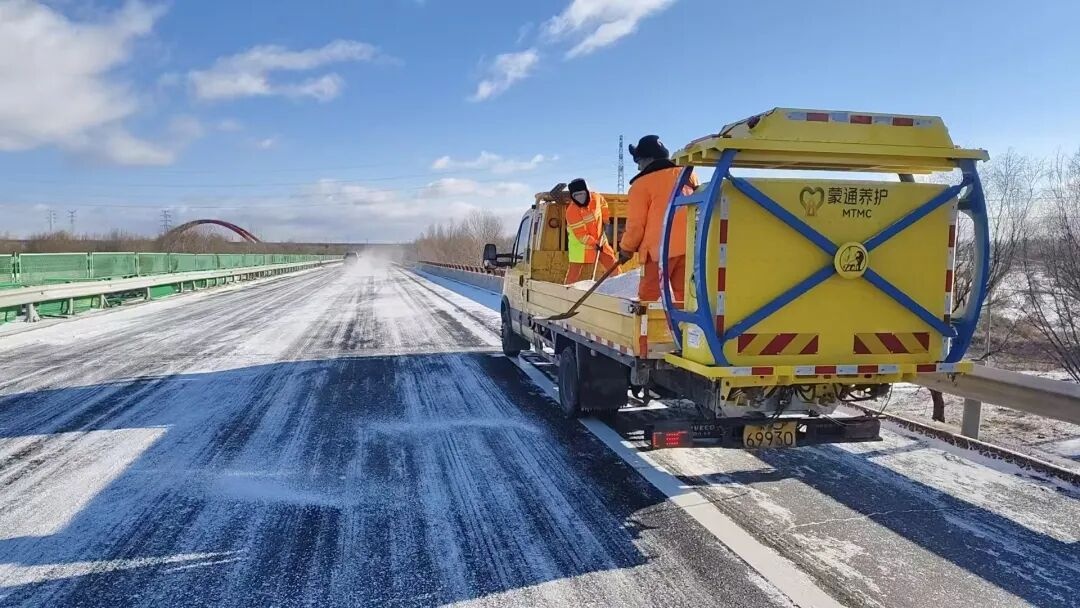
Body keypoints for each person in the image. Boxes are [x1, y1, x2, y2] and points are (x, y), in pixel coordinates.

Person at [618, 135, 698, 302]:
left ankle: (646, 328)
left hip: (657, 253)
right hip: (687, 248)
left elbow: (636, 226)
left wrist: (626, 249)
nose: (639, 168)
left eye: (639, 161)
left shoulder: (641, 185)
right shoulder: (687, 176)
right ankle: (682, 328)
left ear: (649, 159)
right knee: (685, 299)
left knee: (648, 298)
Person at [564, 178, 620, 284]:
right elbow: (581, 234)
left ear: (587, 192)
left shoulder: (596, 198)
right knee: (574, 271)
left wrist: (605, 220)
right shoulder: (571, 212)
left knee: (611, 262)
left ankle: (621, 282)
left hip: (600, 238)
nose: (580, 198)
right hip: (580, 246)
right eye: (576, 196)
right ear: (572, 197)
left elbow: (603, 205)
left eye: (582, 194)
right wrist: (593, 243)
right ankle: (567, 291)